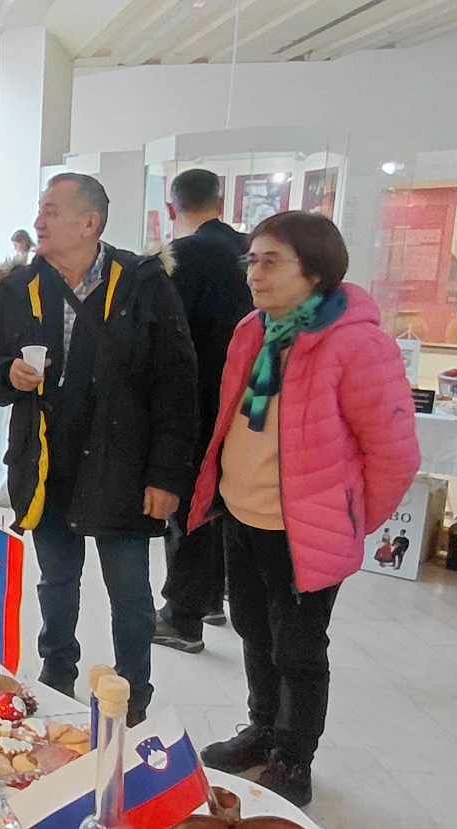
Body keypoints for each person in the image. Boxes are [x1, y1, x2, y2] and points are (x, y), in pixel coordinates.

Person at [190, 211, 419, 806]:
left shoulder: (357, 344)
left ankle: (293, 759)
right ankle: (263, 728)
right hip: (242, 514)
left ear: (315, 272)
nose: (254, 273)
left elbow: (393, 454)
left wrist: (344, 520)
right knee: (252, 629)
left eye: (271, 261)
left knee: (298, 648)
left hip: (302, 530)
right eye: (252, 260)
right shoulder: (255, 330)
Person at [0, 172, 197, 714]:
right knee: (56, 582)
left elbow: (177, 383)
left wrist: (167, 475)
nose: (39, 221)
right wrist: (8, 373)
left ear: (90, 222)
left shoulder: (142, 282)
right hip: (48, 462)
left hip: (125, 465)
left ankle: (132, 694)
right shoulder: (17, 290)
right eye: (39, 209)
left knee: (130, 592)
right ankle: (57, 677)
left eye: (52, 211)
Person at [152, 168, 254, 654]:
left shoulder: (182, 256)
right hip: (250, 399)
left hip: (197, 395)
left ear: (172, 208)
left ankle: (183, 616)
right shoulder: (251, 249)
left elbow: (168, 336)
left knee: (190, 501)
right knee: (224, 498)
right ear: (221, 201)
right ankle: (213, 597)